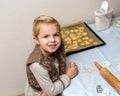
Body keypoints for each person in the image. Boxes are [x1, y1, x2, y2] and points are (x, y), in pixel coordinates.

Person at [25, 15, 78, 96]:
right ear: (37, 40)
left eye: (56, 35)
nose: (52, 40)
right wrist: (68, 76)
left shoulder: (53, 46)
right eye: (46, 36)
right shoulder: (37, 65)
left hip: (53, 84)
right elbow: (51, 91)